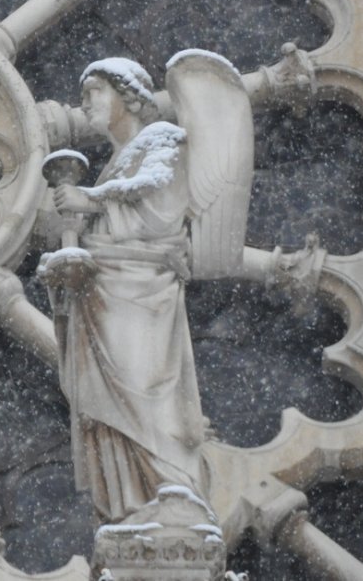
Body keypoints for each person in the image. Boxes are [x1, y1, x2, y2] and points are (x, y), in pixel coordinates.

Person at [49, 58, 208, 523]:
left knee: (146, 399)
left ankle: (165, 490)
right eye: (82, 96)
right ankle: (129, 504)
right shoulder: (114, 167)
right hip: (108, 300)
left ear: (130, 96)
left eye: (95, 91)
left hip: (141, 300)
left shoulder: (163, 141)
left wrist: (91, 203)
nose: (86, 104)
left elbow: (159, 206)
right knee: (115, 411)